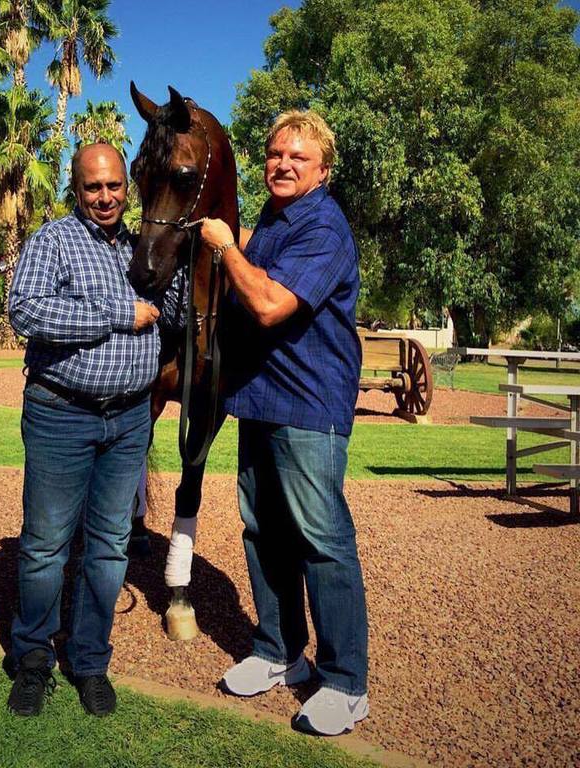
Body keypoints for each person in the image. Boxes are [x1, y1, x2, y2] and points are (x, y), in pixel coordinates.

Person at [200, 110, 369, 736]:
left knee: (321, 539)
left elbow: (270, 304)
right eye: (275, 154)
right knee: (263, 532)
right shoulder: (271, 222)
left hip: (309, 407)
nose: (283, 164)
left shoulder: (323, 225)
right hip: (260, 401)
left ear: (323, 170)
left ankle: (346, 682)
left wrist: (224, 247)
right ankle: (279, 652)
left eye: (298, 157)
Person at [6, 143, 185, 718]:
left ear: (126, 190)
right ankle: (32, 659)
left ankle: (89, 662)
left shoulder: (144, 248)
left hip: (131, 418)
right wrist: (116, 313)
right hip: (63, 412)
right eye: (93, 187)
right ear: (76, 189)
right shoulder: (54, 242)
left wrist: (200, 256)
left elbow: (177, 312)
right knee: (45, 545)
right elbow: (26, 313)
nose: (105, 197)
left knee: (109, 547)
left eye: (113, 187)